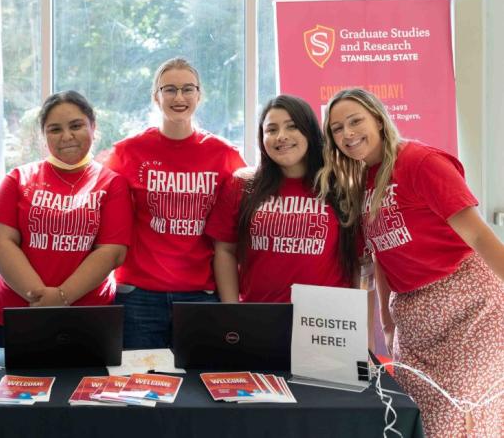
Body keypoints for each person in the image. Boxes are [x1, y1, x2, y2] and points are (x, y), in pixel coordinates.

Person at [318, 87, 504, 437]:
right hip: (414, 323)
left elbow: (479, 236)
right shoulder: (361, 184)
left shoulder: (421, 162)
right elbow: (381, 258)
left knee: (456, 420)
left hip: (473, 310)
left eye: (355, 120)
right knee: (416, 423)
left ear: (378, 118)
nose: (347, 133)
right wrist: (387, 325)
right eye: (337, 128)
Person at [104, 57, 246, 349]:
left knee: (200, 387)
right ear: (156, 97)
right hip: (139, 295)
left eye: (187, 89)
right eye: (169, 89)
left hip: (201, 295)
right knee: (140, 388)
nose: (179, 97)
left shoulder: (224, 155)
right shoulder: (127, 152)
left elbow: (241, 227)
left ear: (199, 95)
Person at [0, 90, 133, 347]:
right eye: (54, 129)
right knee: (9, 388)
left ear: (92, 127)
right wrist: (41, 299)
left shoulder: (112, 183)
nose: (67, 136)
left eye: (76, 126)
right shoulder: (19, 178)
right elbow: (0, 243)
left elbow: (112, 252)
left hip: (87, 318)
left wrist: (61, 297)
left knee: (85, 388)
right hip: (15, 316)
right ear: (43, 137)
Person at [206, 95, 354, 303]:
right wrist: (232, 312)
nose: (281, 136)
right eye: (271, 130)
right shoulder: (242, 184)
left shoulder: (340, 186)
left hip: (324, 321)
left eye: (292, 126)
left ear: (310, 132)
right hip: (261, 318)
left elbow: (358, 262)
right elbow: (225, 250)